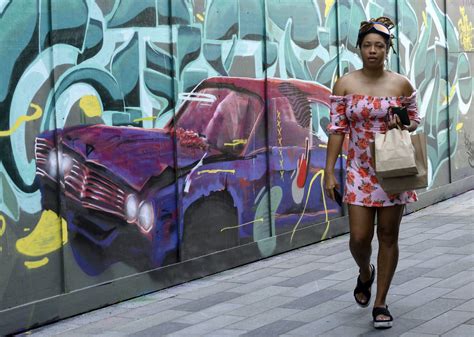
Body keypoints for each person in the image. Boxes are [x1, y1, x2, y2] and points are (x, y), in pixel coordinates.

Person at [323, 17, 420, 329]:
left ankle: (380, 302)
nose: (373, 50)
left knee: (388, 235)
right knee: (359, 238)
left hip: (393, 168)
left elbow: (415, 120)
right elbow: (337, 130)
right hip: (359, 170)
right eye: (367, 45)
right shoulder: (345, 85)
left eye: (379, 45)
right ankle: (365, 272)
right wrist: (329, 172)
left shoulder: (401, 84)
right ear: (359, 49)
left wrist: (403, 122)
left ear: (387, 49)